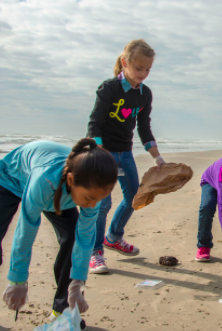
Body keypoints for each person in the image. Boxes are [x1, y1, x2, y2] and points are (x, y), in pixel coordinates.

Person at [0, 139, 118, 324]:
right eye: (89, 198)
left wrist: (77, 283)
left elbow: (85, 236)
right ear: (71, 180)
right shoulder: (44, 180)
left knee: (72, 236)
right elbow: (26, 228)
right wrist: (18, 280)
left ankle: (63, 310)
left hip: (60, 193)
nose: (92, 205)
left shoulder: (92, 193)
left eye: (98, 199)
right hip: (10, 179)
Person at [87, 39, 166, 274]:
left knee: (135, 197)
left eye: (147, 69)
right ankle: (95, 252)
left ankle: (113, 236)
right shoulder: (109, 88)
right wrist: (100, 153)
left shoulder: (144, 94)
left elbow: (144, 128)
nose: (143, 73)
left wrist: (157, 157)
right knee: (103, 203)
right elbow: (94, 124)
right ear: (125, 63)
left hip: (126, 153)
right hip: (103, 153)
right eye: (139, 68)